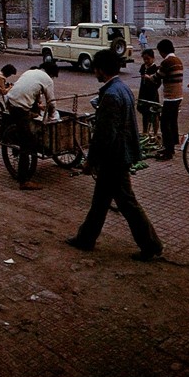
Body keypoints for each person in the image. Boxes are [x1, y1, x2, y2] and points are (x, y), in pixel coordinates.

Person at [66, 49, 164, 261]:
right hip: (121, 154)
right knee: (100, 202)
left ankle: (151, 245)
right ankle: (85, 239)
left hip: (114, 158)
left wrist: (91, 162)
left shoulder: (111, 94)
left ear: (101, 69)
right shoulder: (123, 88)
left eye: (95, 69)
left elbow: (104, 135)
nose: (94, 73)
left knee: (127, 204)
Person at [3, 59, 59, 190]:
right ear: (51, 74)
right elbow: (51, 102)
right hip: (19, 108)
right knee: (28, 143)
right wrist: (52, 117)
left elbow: (32, 93)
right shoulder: (47, 79)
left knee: (31, 117)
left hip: (10, 101)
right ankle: (24, 181)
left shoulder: (31, 72)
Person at [155, 39, 184, 161]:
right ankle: (171, 147)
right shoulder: (178, 60)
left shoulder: (167, 62)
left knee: (165, 124)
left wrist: (147, 77)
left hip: (170, 97)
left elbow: (157, 76)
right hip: (178, 96)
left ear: (163, 51)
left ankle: (168, 151)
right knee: (172, 122)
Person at [137, 48, 161, 139]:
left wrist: (150, 78)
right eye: (144, 59)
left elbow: (158, 83)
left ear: (153, 58)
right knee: (145, 113)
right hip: (143, 93)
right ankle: (145, 132)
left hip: (153, 94)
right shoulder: (143, 67)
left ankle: (155, 133)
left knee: (155, 114)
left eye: (148, 59)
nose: (146, 61)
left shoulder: (156, 69)